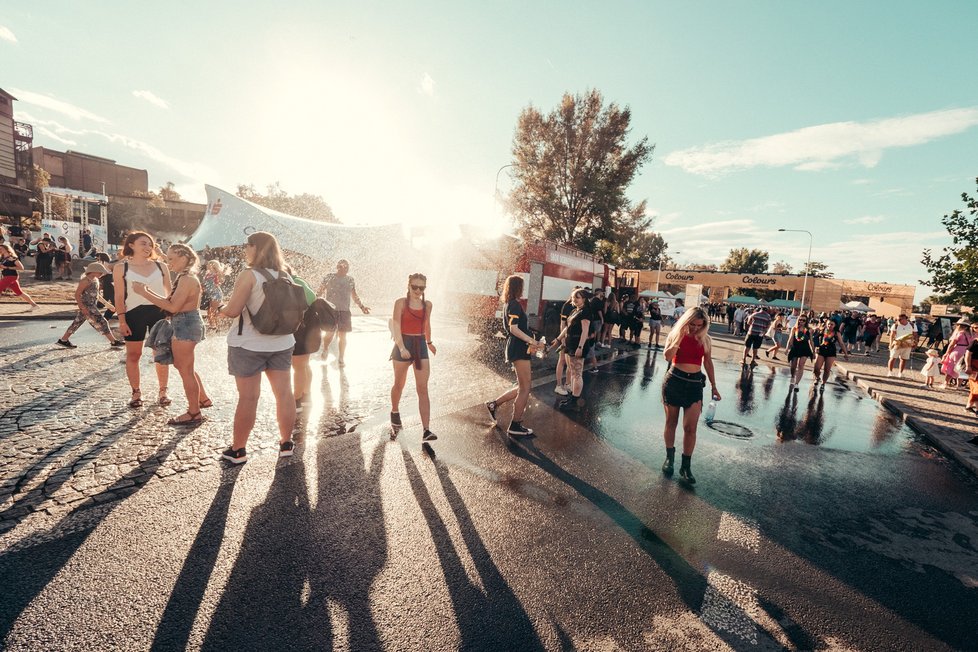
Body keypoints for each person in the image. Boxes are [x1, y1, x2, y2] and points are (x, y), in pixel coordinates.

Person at [217, 231, 297, 463]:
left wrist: (220, 306)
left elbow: (233, 311)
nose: (245, 250)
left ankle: (238, 450)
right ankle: (286, 443)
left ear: (255, 248)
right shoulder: (286, 274)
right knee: (284, 394)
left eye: (247, 246)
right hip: (282, 342)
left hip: (249, 345)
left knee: (249, 398)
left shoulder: (250, 275)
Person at [132, 244, 212, 426]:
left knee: (185, 370)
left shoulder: (187, 279)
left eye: (172, 259)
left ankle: (194, 412)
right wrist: (147, 291)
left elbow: (172, 307)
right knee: (185, 367)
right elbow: (170, 302)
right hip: (185, 322)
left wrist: (143, 292)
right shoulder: (186, 278)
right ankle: (202, 399)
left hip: (185, 323)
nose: (169, 263)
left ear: (184, 257)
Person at [660, 307, 720, 485]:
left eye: (699, 325)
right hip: (674, 381)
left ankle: (686, 466)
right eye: (691, 324)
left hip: (694, 384)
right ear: (686, 321)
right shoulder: (675, 335)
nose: (695, 328)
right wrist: (678, 338)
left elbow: (708, 363)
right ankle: (669, 458)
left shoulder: (705, 339)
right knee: (671, 422)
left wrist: (714, 386)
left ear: (704, 325)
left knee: (690, 428)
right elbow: (667, 357)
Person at [114, 231, 172, 409]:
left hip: (159, 312)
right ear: (131, 245)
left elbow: (169, 292)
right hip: (133, 313)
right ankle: (136, 392)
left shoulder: (161, 266)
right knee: (134, 355)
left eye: (150, 244)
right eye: (143, 243)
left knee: (161, 354)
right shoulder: (121, 268)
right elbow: (119, 296)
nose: (148, 247)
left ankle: (163, 391)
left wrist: (171, 314)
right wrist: (122, 321)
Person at [485, 275, 539, 438]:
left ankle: (494, 404)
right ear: (517, 287)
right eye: (522, 286)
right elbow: (514, 329)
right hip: (518, 347)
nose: (523, 290)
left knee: (522, 386)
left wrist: (532, 341)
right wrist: (531, 341)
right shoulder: (514, 304)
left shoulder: (509, 303)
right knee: (525, 387)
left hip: (517, 347)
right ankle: (515, 424)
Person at [389, 273, 437, 441]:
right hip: (403, 342)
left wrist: (429, 342)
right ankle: (394, 412)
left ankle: (426, 430)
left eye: (421, 288)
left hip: (420, 345)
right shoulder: (400, 303)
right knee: (399, 385)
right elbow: (395, 325)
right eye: (414, 287)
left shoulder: (427, 305)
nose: (418, 290)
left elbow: (426, 325)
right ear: (408, 286)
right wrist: (401, 347)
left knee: (422, 388)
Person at [56, 263, 124, 348]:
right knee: (103, 321)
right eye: (100, 272)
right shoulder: (85, 281)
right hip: (87, 306)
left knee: (76, 323)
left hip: (91, 306)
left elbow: (97, 295)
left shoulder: (95, 280)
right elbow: (77, 295)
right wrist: (82, 307)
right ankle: (114, 342)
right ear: (93, 271)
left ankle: (63, 340)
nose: (102, 274)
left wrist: (108, 305)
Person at [317, 259, 370, 366]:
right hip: (331, 310)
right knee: (330, 333)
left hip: (345, 311)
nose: (344, 269)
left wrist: (362, 307)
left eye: (346, 267)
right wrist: (315, 303)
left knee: (343, 335)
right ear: (337, 267)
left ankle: (341, 357)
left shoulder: (350, 280)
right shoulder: (329, 277)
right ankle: (326, 348)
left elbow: (354, 295)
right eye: (341, 267)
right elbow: (320, 291)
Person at [555, 289, 592, 411]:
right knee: (571, 370)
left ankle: (575, 402)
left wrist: (580, 347)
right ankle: (572, 397)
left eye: (578, 297)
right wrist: (558, 339)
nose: (575, 299)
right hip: (570, 344)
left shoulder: (585, 311)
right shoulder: (574, 310)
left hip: (577, 344)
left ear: (584, 299)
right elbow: (567, 328)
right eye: (573, 297)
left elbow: (585, 331)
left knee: (577, 373)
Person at [0, 244, 40, 311]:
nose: (0, 250)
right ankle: (34, 305)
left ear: (6, 249)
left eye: (1, 248)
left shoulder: (12, 258)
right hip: (7, 276)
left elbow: (21, 268)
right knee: (19, 292)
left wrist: (7, 267)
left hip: (11, 276)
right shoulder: (3, 258)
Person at [812, 319, 849, 387]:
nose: (829, 325)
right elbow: (814, 339)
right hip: (821, 350)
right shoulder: (822, 330)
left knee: (827, 369)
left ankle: (823, 383)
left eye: (832, 324)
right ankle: (817, 378)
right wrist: (814, 349)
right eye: (828, 324)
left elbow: (841, 343)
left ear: (835, 325)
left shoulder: (836, 333)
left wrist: (845, 353)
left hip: (831, 351)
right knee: (816, 368)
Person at [940, 320, 974, 389]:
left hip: (957, 350)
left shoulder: (960, 333)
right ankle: (959, 385)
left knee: (950, 367)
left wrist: (946, 353)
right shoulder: (972, 334)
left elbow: (952, 344)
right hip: (966, 352)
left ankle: (945, 383)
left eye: (958, 325)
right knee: (961, 369)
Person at [785, 315, 815, 391]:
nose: (801, 321)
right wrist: (787, 348)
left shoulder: (809, 330)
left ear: (806, 321)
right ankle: (792, 376)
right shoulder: (794, 329)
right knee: (793, 367)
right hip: (795, 348)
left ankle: (796, 384)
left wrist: (813, 352)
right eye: (800, 320)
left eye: (803, 320)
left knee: (801, 365)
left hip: (805, 349)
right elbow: (790, 339)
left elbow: (811, 341)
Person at [554, 292, 575, 395]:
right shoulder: (567, 306)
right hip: (566, 338)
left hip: (572, 339)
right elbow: (563, 325)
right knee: (562, 360)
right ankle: (558, 385)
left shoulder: (578, 308)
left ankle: (567, 384)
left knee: (569, 363)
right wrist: (562, 340)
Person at [201, 260, 225, 329]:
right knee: (209, 312)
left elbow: (221, 280)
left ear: (213, 265)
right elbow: (204, 284)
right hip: (209, 294)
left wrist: (220, 273)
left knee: (212, 311)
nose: (207, 265)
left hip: (216, 294)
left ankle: (218, 326)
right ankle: (213, 326)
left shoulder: (217, 274)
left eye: (209, 264)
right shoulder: (207, 274)